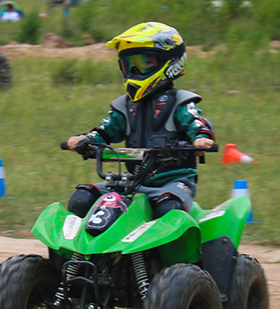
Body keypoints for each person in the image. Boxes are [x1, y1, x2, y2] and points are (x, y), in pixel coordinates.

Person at [65, 22, 215, 219]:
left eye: (144, 63)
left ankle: (175, 248)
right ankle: (75, 249)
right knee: (82, 197)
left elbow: (197, 123)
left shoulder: (181, 103)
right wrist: (86, 140)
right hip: (132, 182)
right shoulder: (125, 107)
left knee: (168, 209)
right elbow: (105, 132)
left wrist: (201, 138)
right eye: (129, 65)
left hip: (173, 183)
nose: (134, 71)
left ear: (170, 62)